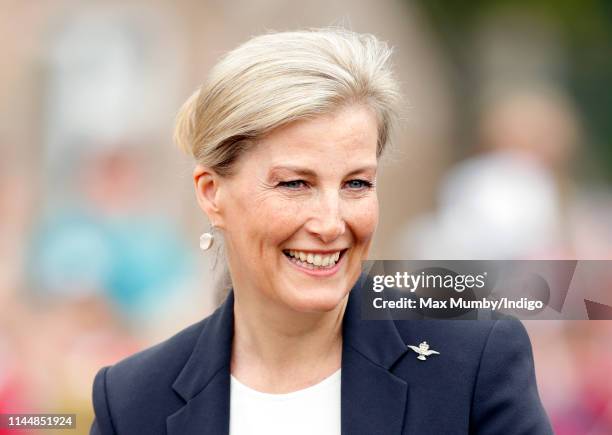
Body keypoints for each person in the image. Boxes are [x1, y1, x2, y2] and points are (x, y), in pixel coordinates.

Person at [90, 28, 553, 435]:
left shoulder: (471, 361)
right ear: (212, 193)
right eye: (296, 183)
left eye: (356, 183)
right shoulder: (132, 402)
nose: (332, 223)